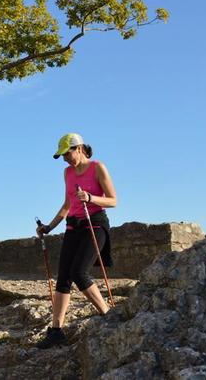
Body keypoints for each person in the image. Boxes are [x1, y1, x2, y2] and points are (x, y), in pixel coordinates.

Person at [35, 133, 118, 349]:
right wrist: (49, 227)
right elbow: (67, 204)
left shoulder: (98, 167)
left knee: (79, 273)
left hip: (95, 224)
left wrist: (90, 198)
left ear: (79, 148)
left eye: (67, 153)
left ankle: (108, 315)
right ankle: (56, 331)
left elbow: (113, 200)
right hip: (73, 225)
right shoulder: (67, 172)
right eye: (62, 156)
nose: (65, 159)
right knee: (63, 278)